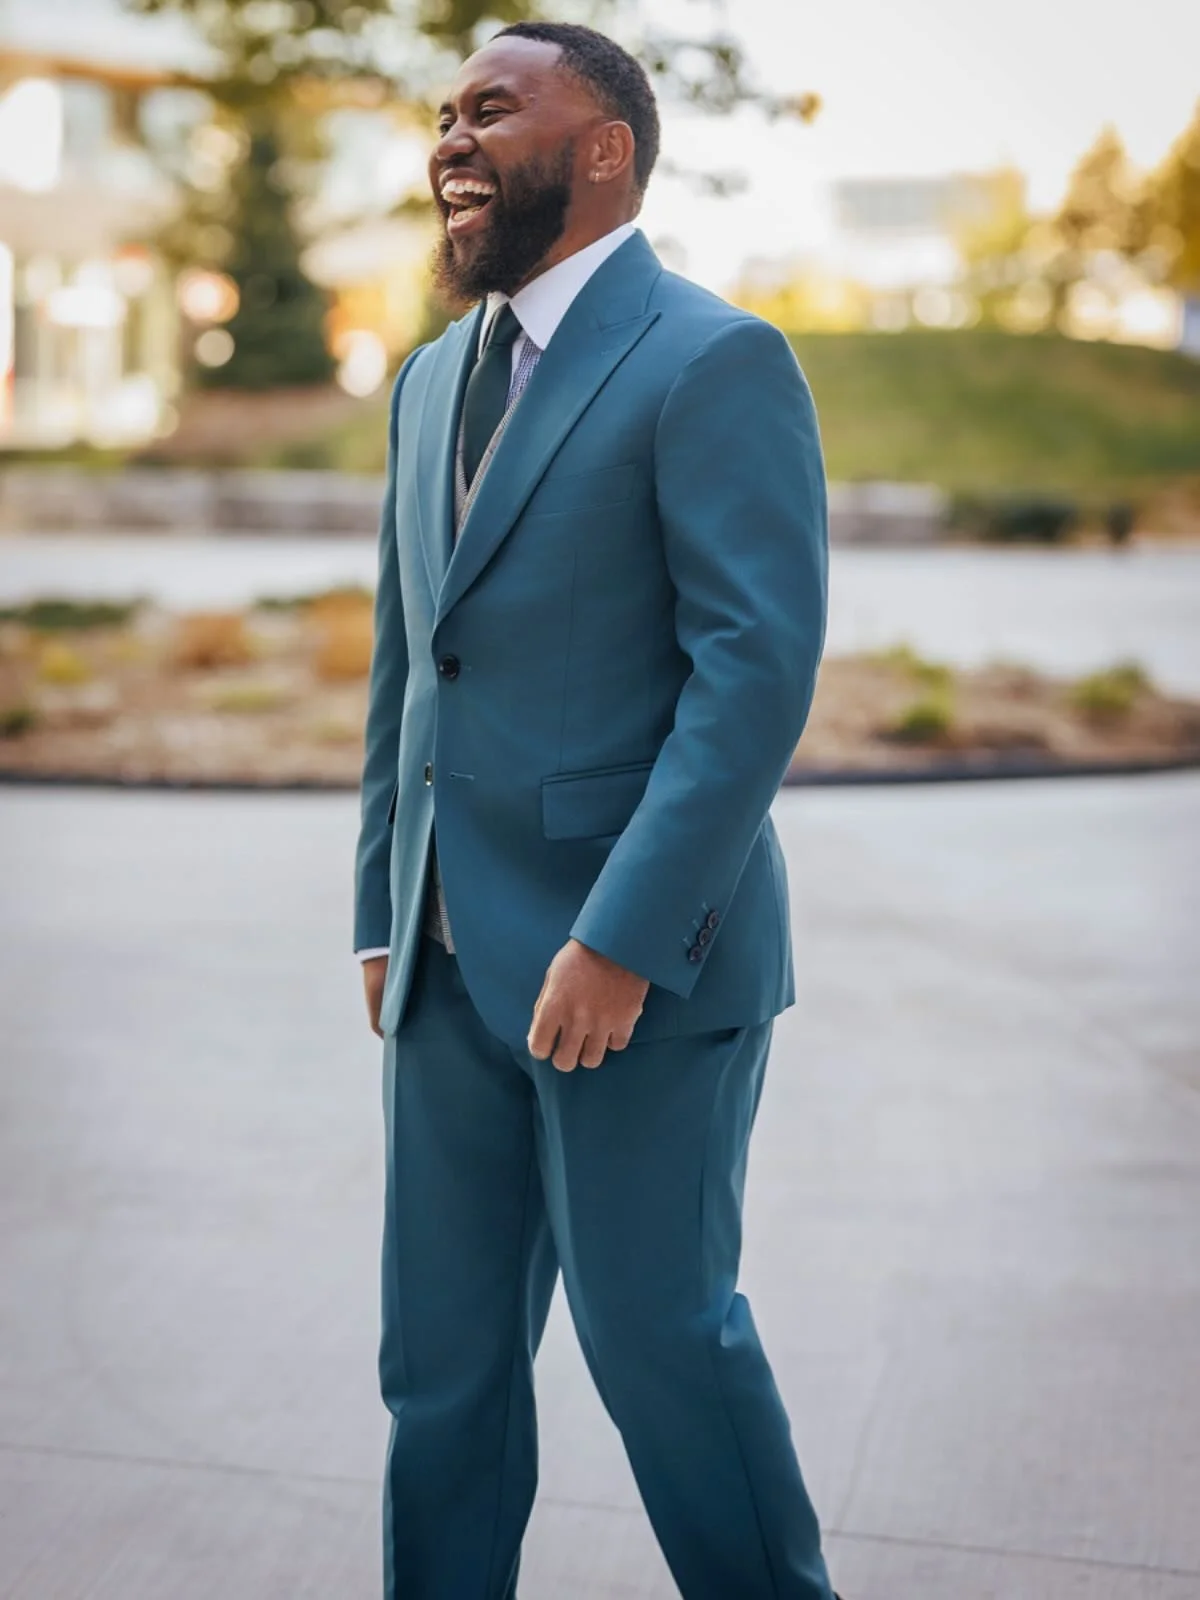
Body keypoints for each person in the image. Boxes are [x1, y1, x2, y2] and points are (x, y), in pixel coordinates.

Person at [354, 21, 839, 1600]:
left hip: (635, 979)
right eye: (444, 113)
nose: (453, 137)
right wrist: (382, 904)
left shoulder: (713, 357)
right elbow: (404, 670)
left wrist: (622, 937)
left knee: (664, 1359)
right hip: (442, 972)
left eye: (492, 108)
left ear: (608, 144)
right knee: (440, 1379)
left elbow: (752, 679)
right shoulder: (432, 381)